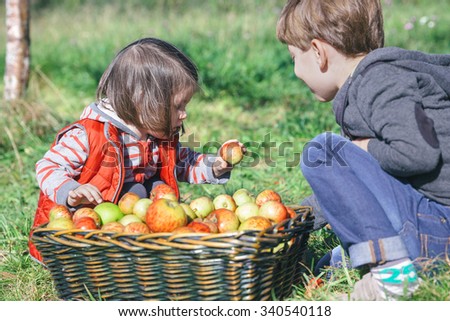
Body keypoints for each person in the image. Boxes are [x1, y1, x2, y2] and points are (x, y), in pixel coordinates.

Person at [277, 0, 450, 300]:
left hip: (439, 229)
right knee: (330, 264)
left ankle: (392, 274)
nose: (295, 70)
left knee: (322, 151)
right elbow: (365, 183)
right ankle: (393, 264)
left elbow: (417, 154)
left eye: (294, 57)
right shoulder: (373, 83)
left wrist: (366, 147)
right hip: (432, 222)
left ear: (318, 53)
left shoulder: (378, 81)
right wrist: (295, 215)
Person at [29, 37, 244, 263]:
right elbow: (48, 167)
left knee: (157, 189)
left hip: (130, 223)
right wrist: (70, 192)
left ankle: (148, 252)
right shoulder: (88, 135)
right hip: (85, 227)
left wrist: (217, 166)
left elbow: (184, 163)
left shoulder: (155, 134)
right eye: (177, 106)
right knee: (140, 192)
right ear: (143, 102)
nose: (184, 114)